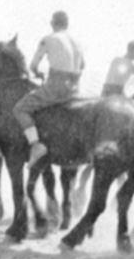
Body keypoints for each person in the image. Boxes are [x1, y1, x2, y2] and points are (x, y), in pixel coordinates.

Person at [14, 10, 85, 166]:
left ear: (52, 23)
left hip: (56, 87)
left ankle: (35, 145)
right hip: (75, 88)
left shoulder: (48, 38)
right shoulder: (77, 42)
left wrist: (37, 72)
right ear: (67, 24)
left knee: (20, 108)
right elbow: (83, 65)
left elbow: (33, 66)